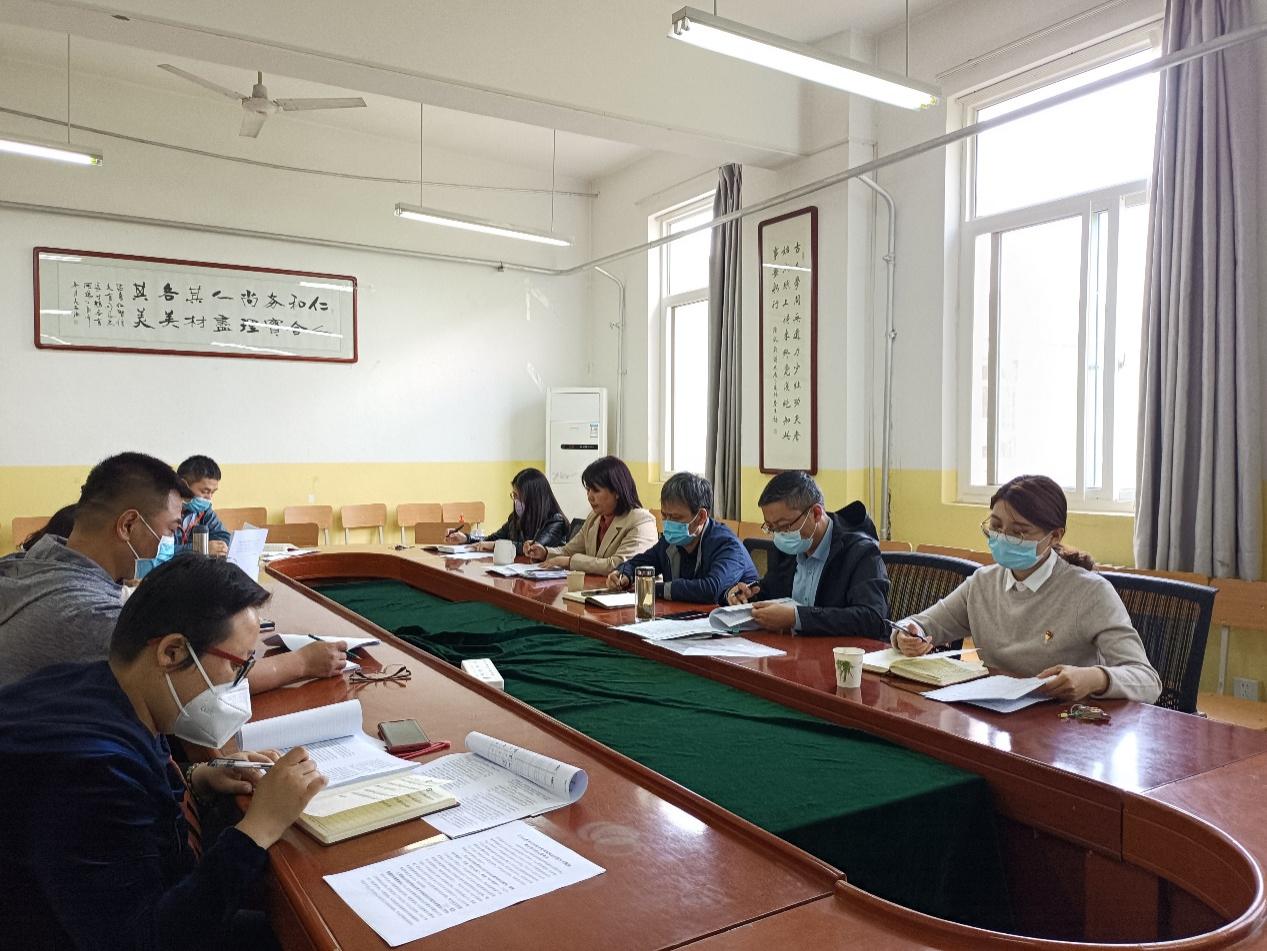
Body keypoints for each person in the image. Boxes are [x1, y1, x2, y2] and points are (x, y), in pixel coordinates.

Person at [0, 555, 327, 950]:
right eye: (237, 667)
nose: (238, 684)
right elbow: (148, 941)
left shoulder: (100, 686)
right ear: (171, 652)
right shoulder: (91, 771)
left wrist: (196, 778)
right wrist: (261, 827)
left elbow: (134, 795)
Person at [0, 451, 344, 691]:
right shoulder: (85, 613)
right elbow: (194, 683)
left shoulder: (29, 562)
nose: (168, 541)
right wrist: (300, 664)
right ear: (128, 525)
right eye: (169, 529)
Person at [891, 474, 1162, 703]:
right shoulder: (983, 583)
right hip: (995, 715)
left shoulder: (1090, 593)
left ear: (1054, 536)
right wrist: (908, 635)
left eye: (1019, 532)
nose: (1003, 537)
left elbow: (1147, 680)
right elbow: (920, 624)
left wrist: (1096, 678)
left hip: (1065, 725)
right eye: (996, 526)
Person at [726, 471, 889, 637]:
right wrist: (748, 597)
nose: (779, 535)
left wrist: (796, 618)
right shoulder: (787, 547)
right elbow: (773, 593)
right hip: (792, 648)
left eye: (784, 525)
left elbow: (872, 618)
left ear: (816, 513)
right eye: (771, 527)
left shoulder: (860, 552)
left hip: (840, 651)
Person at [607, 471, 758, 603]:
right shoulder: (670, 541)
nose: (668, 524)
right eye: (665, 515)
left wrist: (653, 588)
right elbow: (640, 563)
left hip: (729, 623)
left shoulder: (727, 545)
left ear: (701, 517)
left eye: (676, 517)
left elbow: (711, 589)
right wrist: (623, 574)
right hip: (684, 617)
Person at [524, 455, 657, 574]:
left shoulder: (641, 521)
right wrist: (544, 552)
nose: (590, 496)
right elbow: (568, 551)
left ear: (617, 491)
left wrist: (570, 562)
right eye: (588, 490)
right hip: (597, 588)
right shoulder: (594, 517)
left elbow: (619, 565)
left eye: (596, 490)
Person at [446, 468, 569, 555]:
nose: (515, 501)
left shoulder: (555, 521)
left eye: (518, 496)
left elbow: (532, 549)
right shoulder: (515, 518)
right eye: (513, 495)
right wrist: (466, 538)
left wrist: (496, 546)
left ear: (533, 498)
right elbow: (492, 539)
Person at [175, 455, 231, 556]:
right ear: (183, 485)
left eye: (212, 492)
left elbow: (223, 536)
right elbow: (161, 552)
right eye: (205, 491)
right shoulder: (164, 511)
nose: (209, 498)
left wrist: (219, 546)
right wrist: (201, 548)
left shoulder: (204, 510)